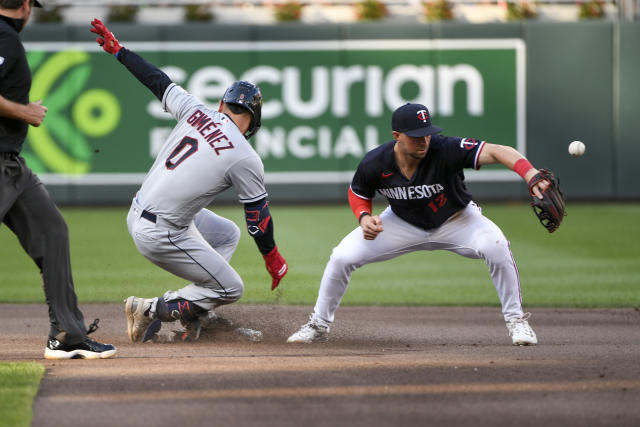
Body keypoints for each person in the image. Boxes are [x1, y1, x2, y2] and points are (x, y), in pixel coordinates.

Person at [89, 19, 288, 343]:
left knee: (226, 234)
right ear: (254, 121)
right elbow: (259, 220)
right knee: (230, 287)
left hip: (140, 212)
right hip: (161, 231)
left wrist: (118, 51)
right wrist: (273, 259)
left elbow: (157, 80)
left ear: (222, 104)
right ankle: (149, 308)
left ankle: (197, 315)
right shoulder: (244, 155)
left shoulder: (197, 110)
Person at [287, 103, 545, 346]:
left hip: (457, 220)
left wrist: (530, 173)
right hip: (401, 222)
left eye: (427, 134)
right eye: (416, 135)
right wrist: (364, 217)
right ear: (397, 135)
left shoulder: (446, 149)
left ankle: (516, 320)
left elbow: (496, 150)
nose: (424, 140)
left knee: (496, 245)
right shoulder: (376, 161)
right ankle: (318, 326)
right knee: (341, 256)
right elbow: (358, 192)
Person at [0, 0, 116, 359]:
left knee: (52, 232)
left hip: (11, 165)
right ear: (24, 6)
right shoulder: (5, 38)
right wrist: (25, 111)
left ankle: (68, 334)